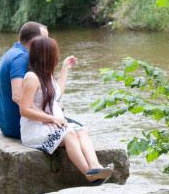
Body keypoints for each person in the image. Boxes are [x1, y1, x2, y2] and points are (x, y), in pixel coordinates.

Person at [19, 37, 113, 184]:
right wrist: (52, 119)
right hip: (36, 129)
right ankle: (89, 175)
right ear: (46, 55)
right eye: (54, 54)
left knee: (81, 130)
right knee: (70, 135)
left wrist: (65, 68)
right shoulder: (31, 77)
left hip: (52, 125)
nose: (57, 57)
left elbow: (58, 92)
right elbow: (24, 109)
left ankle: (95, 167)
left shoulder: (47, 74)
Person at [0, 22, 48, 139]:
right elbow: (17, 96)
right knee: (74, 128)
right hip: (16, 126)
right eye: (45, 39)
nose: (47, 42)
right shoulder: (21, 58)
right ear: (34, 41)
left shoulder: (13, 52)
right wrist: (47, 118)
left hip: (5, 124)